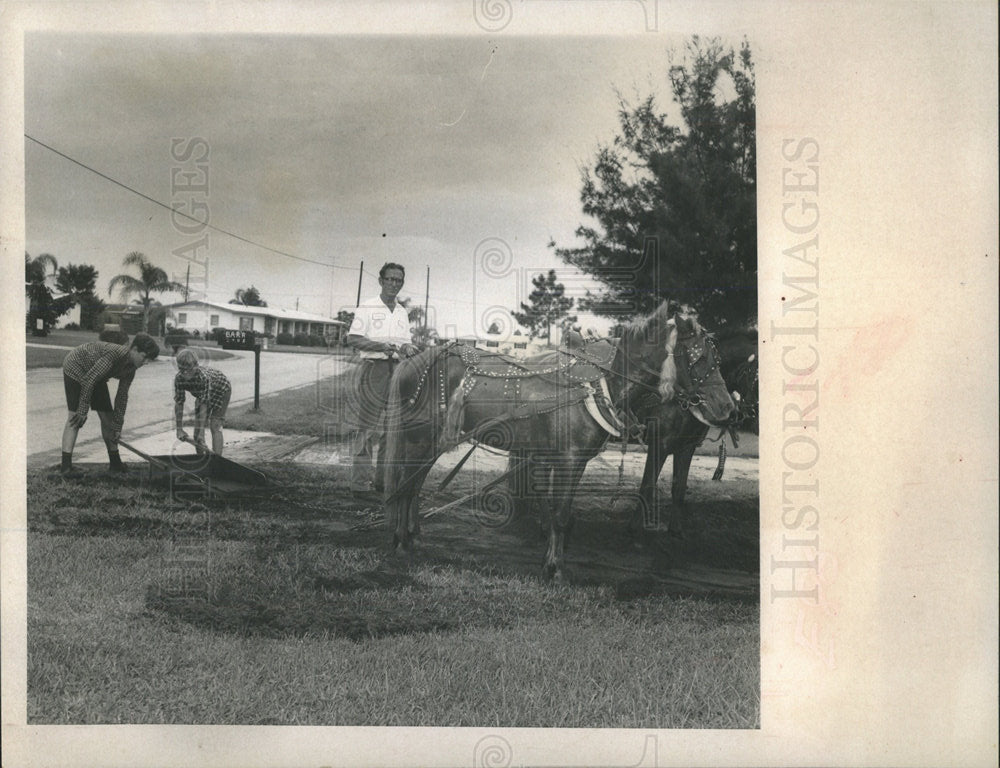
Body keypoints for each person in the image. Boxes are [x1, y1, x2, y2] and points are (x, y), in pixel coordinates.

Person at [345, 262, 420, 498]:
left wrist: (408, 347)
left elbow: (404, 342)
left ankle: (383, 482)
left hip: (397, 371)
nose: (394, 284)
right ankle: (359, 484)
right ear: (381, 280)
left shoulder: (401, 312)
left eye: (398, 280)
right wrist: (380, 346)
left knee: (392, 429)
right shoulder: (367, 307)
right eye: (390, 279)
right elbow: (354, 339)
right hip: (373, 369)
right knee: (366, 428)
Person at [60, 332, 160, 475]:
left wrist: (117, 425)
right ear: (135, 349)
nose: (146, 362)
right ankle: (66, 467)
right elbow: (89, 380)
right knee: (75, 416)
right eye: (144, 357)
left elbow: (122, 396)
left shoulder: (131, 368)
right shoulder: (116, 354)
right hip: (76, 366)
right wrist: (83, 410)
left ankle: (115, 463)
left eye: (148, 359)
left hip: (95, 374)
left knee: (108, 417)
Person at [173, 348, 233, 456]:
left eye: (189, 369)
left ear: (196, 366)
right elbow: (179, 403)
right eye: (182, 370)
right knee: (197, 430)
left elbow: (204, 405)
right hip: (203, 395)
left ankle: (217, 462)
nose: (185, 373)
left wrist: (202, 433)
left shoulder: (203, 378)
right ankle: (201, 460)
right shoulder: (179, 379)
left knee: (215, 425)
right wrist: (179, 429)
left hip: (222, 389)